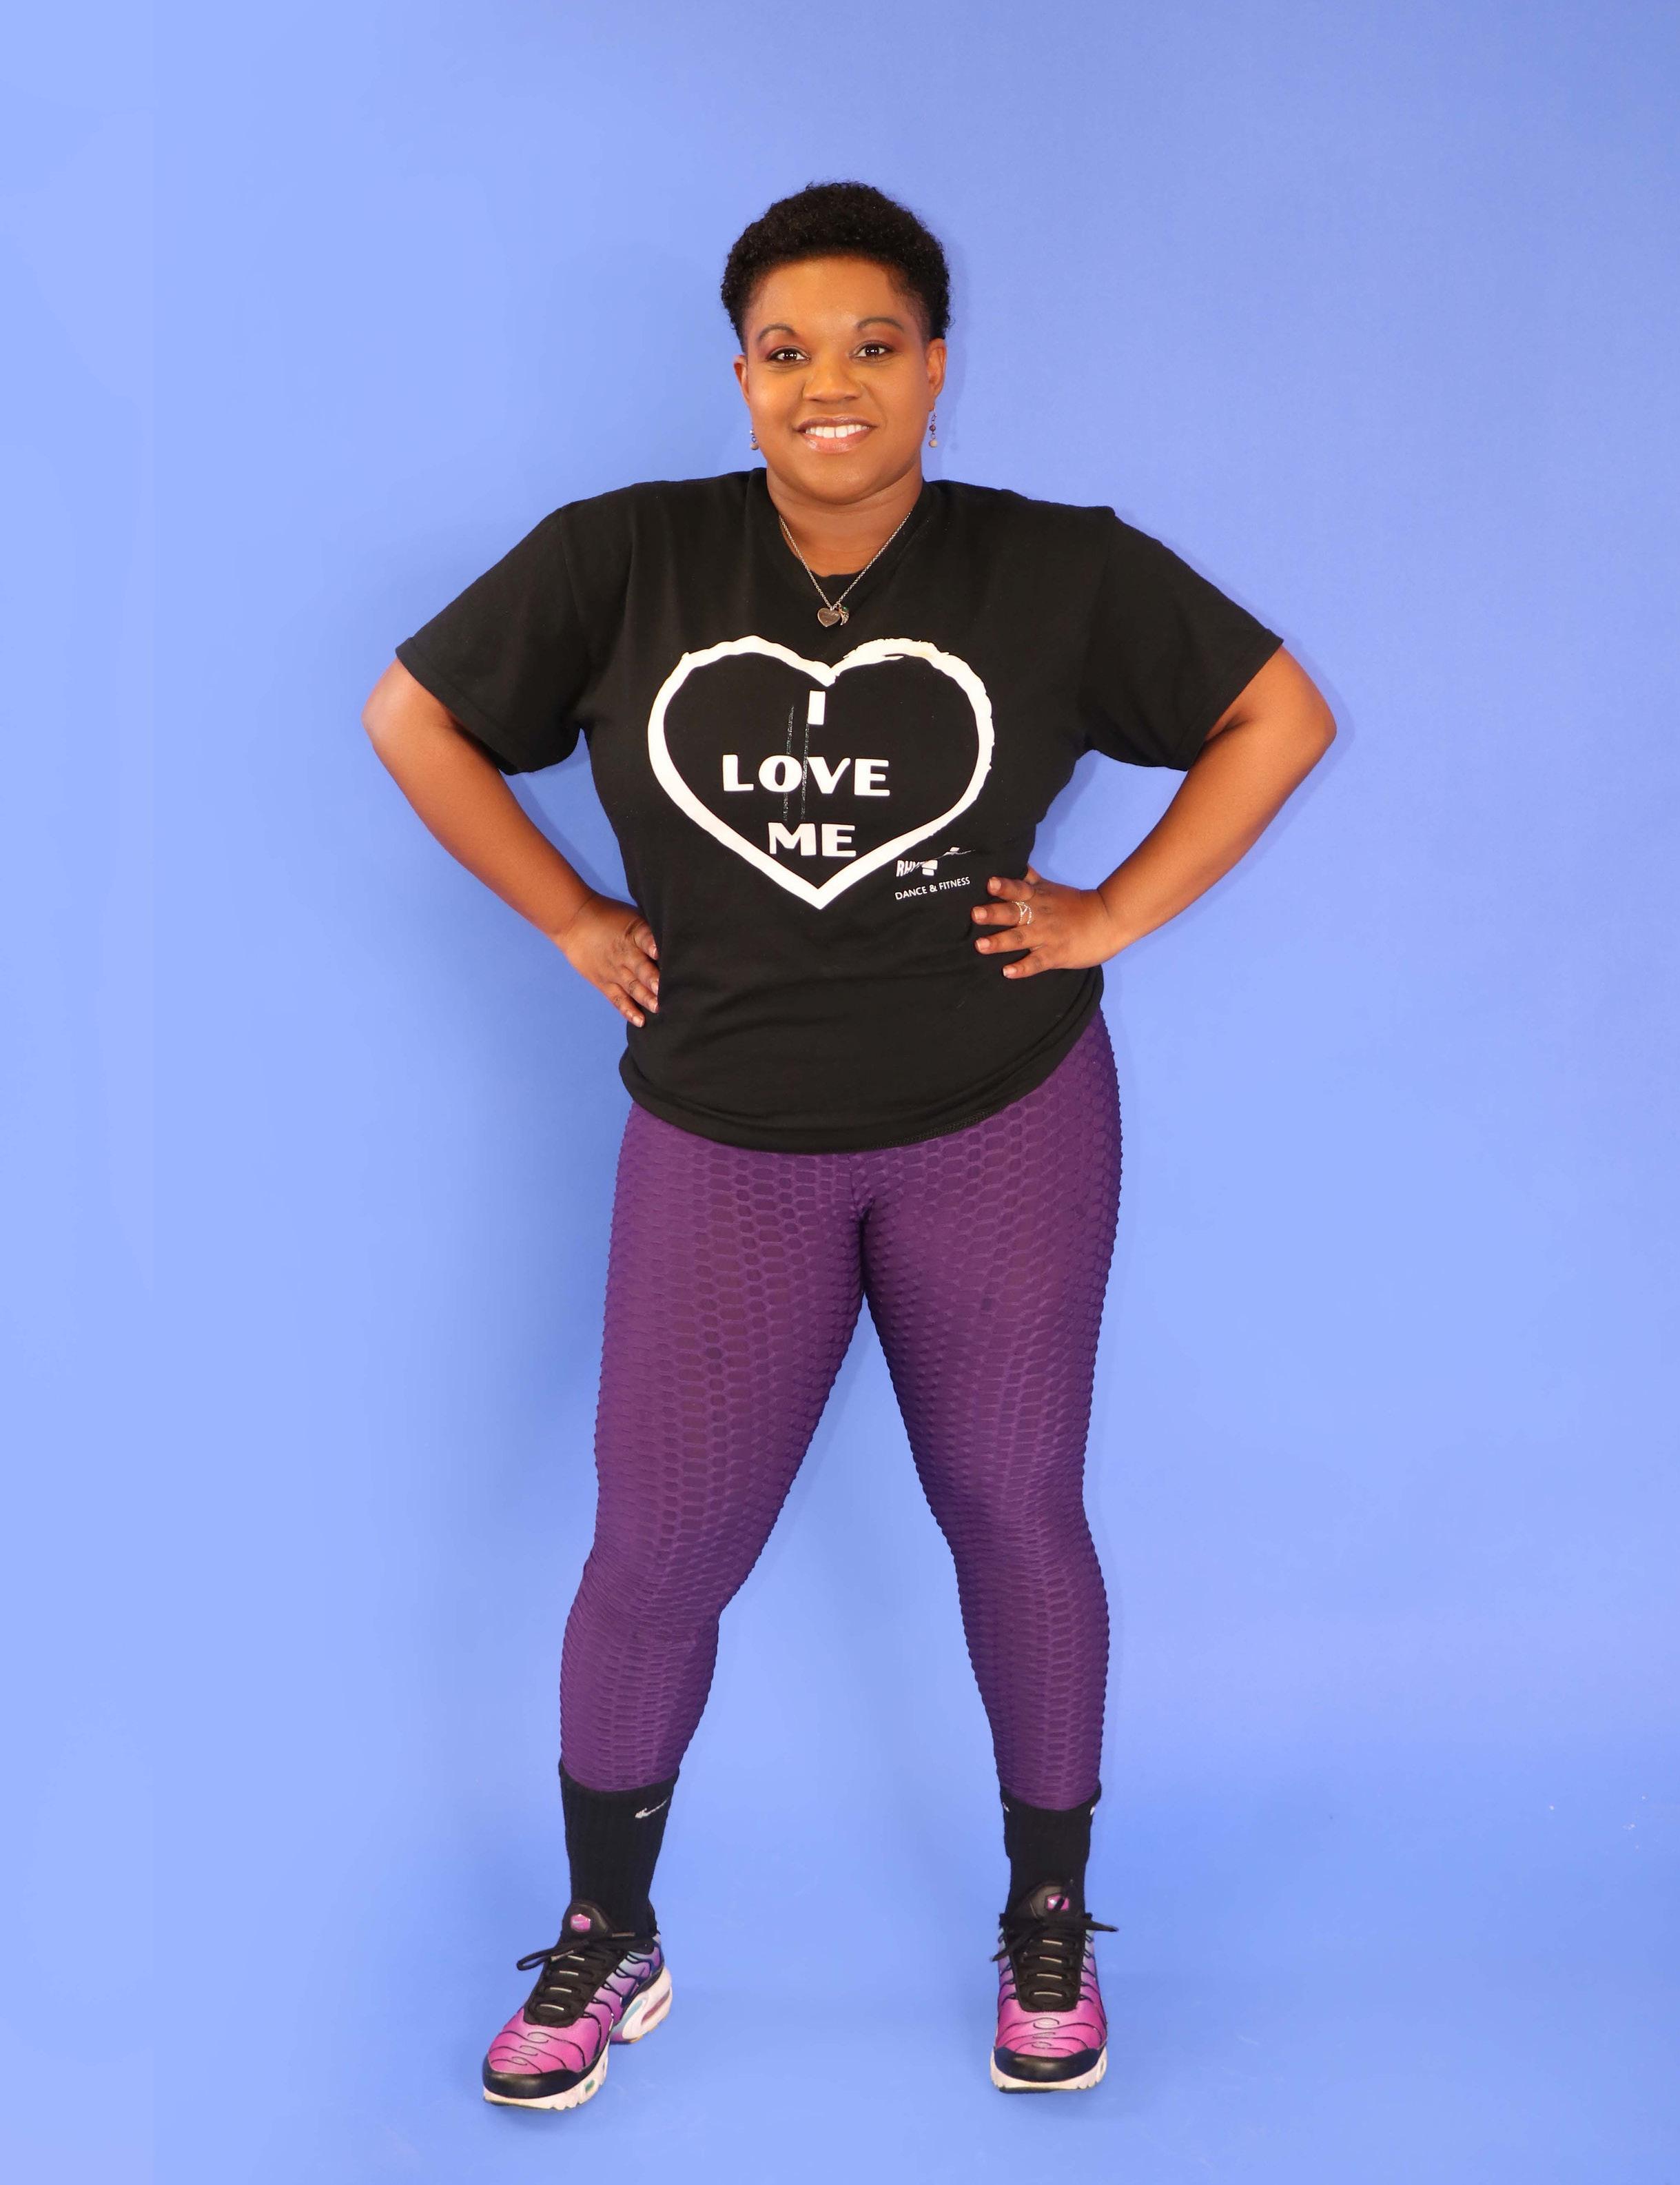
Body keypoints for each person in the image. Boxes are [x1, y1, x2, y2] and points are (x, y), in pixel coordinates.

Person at [362, 179, 1335, 2111]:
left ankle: (1048, 1922)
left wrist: (1110, 914)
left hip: (1002, 1122)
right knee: (659, 1547)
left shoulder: (1054, 569)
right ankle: (608, 1931)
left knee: (1015, 1509)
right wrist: (572, 920)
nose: (833, 384)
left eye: (875, 346)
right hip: (727, 1138)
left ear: (937, 369)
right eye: (788, 349)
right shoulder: (626, 557)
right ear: (741, 377)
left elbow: (1277, 716)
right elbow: (413, 718)